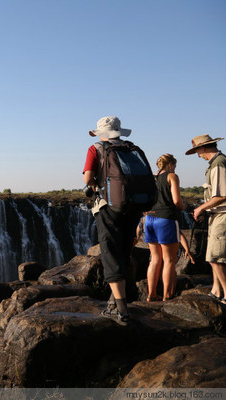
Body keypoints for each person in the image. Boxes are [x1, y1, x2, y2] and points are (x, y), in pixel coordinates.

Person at [83, 116, 144, 326]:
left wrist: (93, 184)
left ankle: (121, 309)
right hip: (133, 205)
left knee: (110, 253)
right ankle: (113, 301)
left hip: (109, 207)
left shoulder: (97, 148)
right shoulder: (131, 148)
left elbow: (87, 178)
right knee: (125, 252)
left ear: (101, 132)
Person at [186, 134, 226, 305]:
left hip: (222, 214)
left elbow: (221, 195)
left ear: (203, 147)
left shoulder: (218, 164)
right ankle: (216, 290)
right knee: (213, 256)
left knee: (215, 257)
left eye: (197, 150)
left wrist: (201, 207)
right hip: (216, 215)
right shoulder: (217, 163)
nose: (197, 155)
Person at [144, 154, 185, 301]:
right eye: (174, 166)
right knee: (169, 260)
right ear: (170, 165)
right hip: (166, 219)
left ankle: (151, 294)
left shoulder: (150, 178)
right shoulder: (172, 176)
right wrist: (183, 206)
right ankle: (167, 296)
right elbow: (176, 201)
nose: (174, 168)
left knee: (155, 259)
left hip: (149, 219)